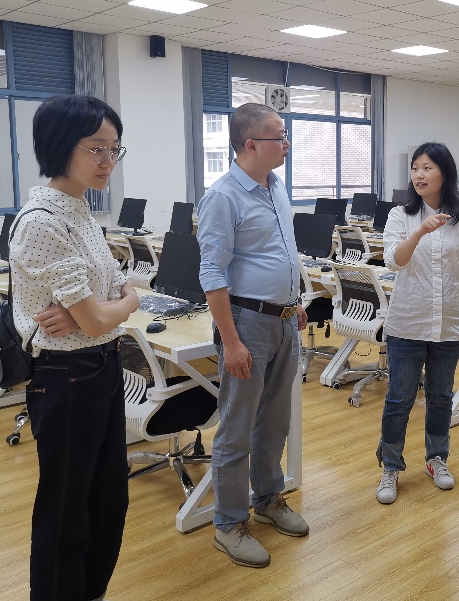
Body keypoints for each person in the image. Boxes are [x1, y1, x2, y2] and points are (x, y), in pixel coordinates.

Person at [11, 94, 139, 601]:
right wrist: (117, 305)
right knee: (67, 511)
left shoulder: (80, 209)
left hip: (101, 366)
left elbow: (113, 293)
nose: (108, 160)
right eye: (96, 148)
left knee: (108, 498)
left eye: (114, 148)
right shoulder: (43, 220)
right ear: (61, 145)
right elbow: (103, 311)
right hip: (67, 377)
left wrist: (106, 306)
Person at [197, 102, 309, 568]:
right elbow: (212, 274)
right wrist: (232, 341)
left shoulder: (276, 186)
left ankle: (267, 498)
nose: (286, 144)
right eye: (279, 136)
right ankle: (228, 523)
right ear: (251, 144)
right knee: (237, 427)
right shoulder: (223, 197)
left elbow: (281, 252)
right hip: (247, 324)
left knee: (275, 421)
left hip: (284, 320)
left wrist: (295, 300)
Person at [375, 142, 459, 505]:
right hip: (408, 321)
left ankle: (436, 458)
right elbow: (394, 261)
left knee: (440, 397)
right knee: (399, 398)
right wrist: (420, 231)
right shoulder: (399, 216)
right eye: (415, 168)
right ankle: (391, 466)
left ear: (444, 173)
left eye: (427, 168)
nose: (419, 175)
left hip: (448, 322)